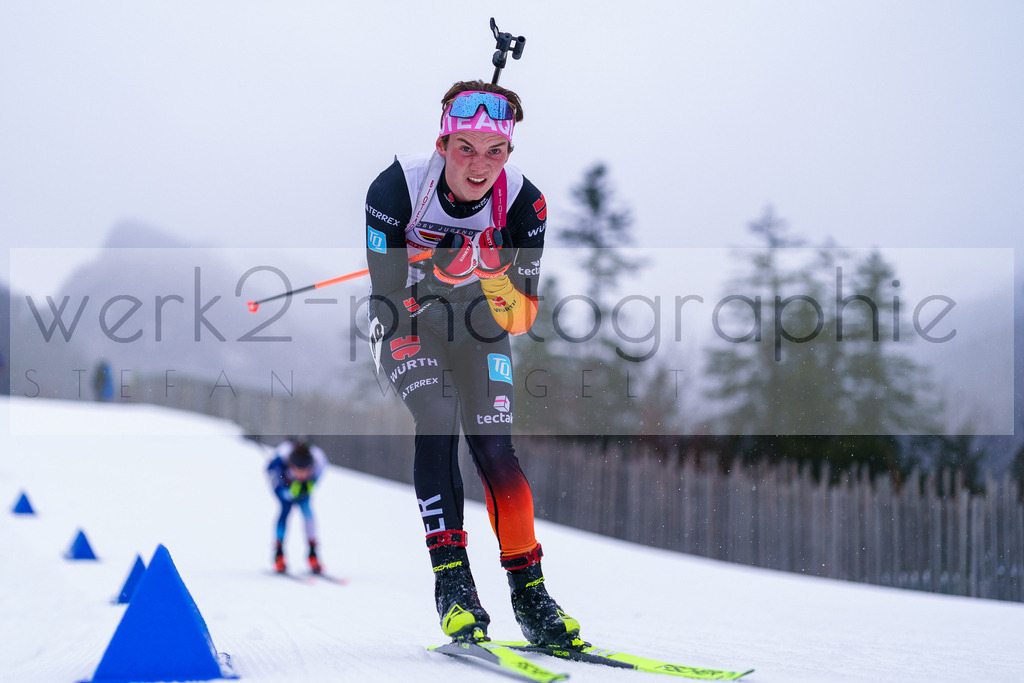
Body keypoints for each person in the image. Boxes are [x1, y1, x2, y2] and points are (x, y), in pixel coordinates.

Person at [364, 80, 580, 646]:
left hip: (482, 323)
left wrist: (489, 274)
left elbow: (521, 317)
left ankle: (531, 595)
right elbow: (386, 299)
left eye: (495, 151)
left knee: (494, 447)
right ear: (442, 144)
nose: (479, 165)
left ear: (508, 152)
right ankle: (454, 586)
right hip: (409, 321)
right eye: (465, 147)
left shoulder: (524, 203)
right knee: (439, 417)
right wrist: (439, 274)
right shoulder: (396, 189)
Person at [266, 438, 327, 574]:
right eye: (298, 470)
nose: (301, 474)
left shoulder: (319, 462)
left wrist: (307, 487)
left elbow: (317, 479)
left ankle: (313, 554)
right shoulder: (279, 463)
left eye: (305, 470)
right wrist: (285, 493)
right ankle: (279, 554)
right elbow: (272, 479)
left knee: (308, 516)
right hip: (285, 490)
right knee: (284, 513)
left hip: (303, 493)